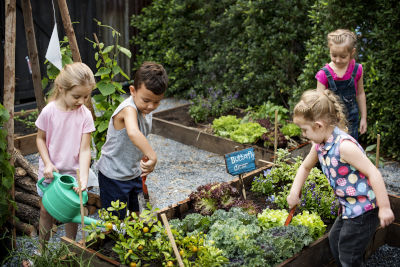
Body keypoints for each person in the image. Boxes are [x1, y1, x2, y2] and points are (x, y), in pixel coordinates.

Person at [287, 89, 394, 266]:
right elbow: (305, 167)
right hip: (349, 206)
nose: (303, 134)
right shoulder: (319, 145)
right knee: (336, 239)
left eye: (304, 130)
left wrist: (384, 207)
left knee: (348, 253)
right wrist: (294, 192)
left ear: (319, 125)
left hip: (364, 208)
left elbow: (373, 172)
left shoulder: (344, 147)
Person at [35, 62, 96, 252]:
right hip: (51, 172)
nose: (82, 101)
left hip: (73, 171)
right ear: (61, 89)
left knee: (73, 211)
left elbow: (85, 149)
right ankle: (41, 250)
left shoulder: (85, 115)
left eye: (86, 96)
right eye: (77, 96)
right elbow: (40, 139)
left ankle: (70, 248)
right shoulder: (49, 112)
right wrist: (47, 163)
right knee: (45, 210)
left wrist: (83, 177)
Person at [97, 61, 168, 219]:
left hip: (133, 173)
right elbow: (134, 133)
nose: (150, 106)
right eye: (146, 100)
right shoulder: (128, 109)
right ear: (132, 91)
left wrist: (142, 156)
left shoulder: (145, 109)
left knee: (138, 212)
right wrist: (153, 156)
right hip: (113, 176)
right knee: (115, 221)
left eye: (156, 102)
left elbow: (139, 138)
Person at [316, 29, 366, 140]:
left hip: (351, 121)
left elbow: (360, 94)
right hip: (330, 123)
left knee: (349, 150)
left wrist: (363, 118)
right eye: (334, 55)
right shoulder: (324, 74)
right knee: (332, 153)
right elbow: (319, 102)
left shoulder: (357, 70)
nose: (337, 60)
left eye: (343, 57)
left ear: (352, 52)